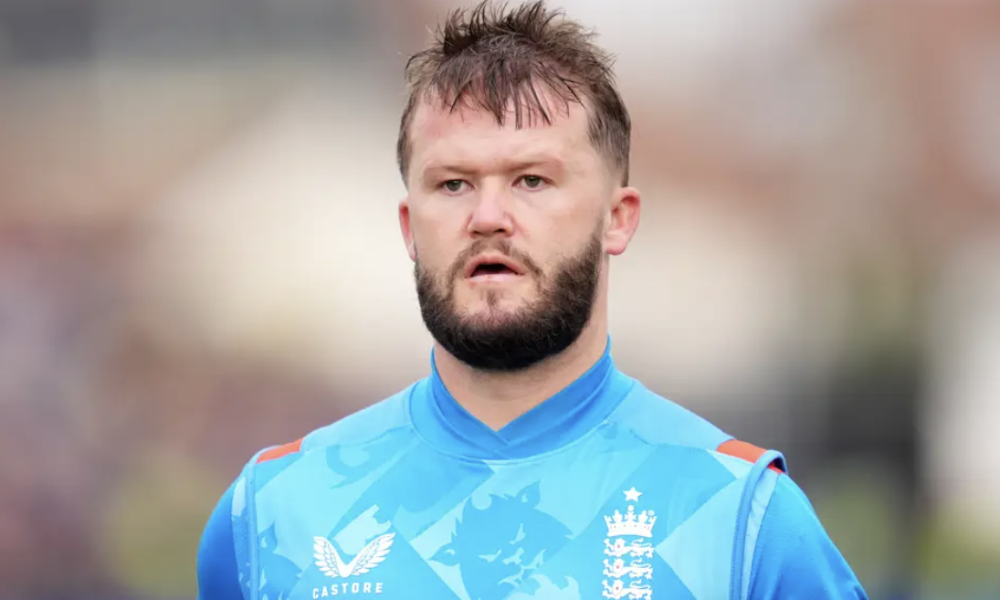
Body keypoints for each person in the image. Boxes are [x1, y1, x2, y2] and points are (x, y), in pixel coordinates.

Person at [196, 2, 868, 599]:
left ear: (618, 219)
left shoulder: (742, 520)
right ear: (409, 227)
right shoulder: (273, 514)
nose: (488, 217)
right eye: (453, 184)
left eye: (532, 180)